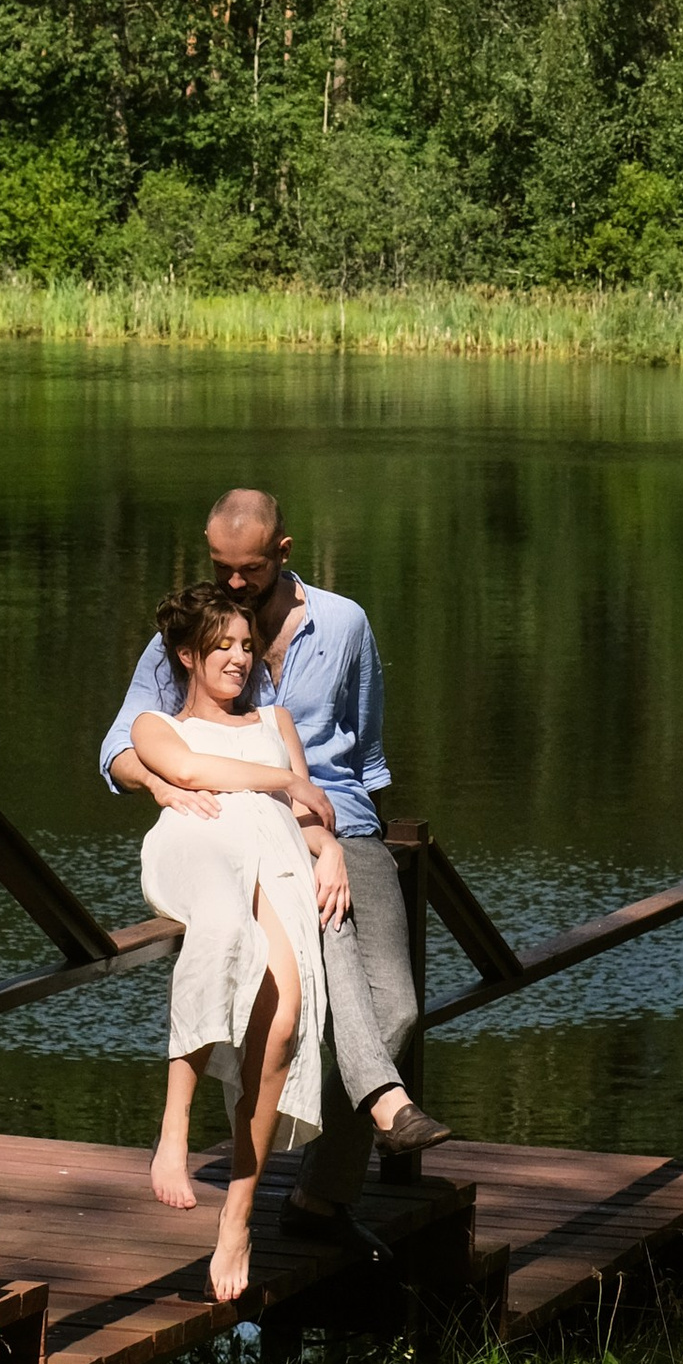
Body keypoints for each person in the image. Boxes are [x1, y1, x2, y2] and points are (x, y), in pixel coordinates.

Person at [102, 483, 450, 1250]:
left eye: (249, 569)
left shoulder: (345, 624)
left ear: (283, 553)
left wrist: (343, 842)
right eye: (220, 566)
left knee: (394, 1009)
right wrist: (163, 785)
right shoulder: (187, 635)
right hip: (245, 831)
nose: (233, 581)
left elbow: (366, 753)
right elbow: (122, 747)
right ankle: (374, 1117)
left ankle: (317, 1193)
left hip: (341, 825)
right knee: (312, 972)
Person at [131, 582, 343, 1299]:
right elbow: (191, 773)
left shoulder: (275, 720)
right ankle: (174, 1131)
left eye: (248, 646)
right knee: (220, 927)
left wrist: (330, 850)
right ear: (187, 655)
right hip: (201, 841)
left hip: (272, 853)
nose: (238, 659)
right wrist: (284, 780)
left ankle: (239, 1217)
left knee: (284, 1021)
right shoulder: (156, 727)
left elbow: (307, 813)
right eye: (221, 646)